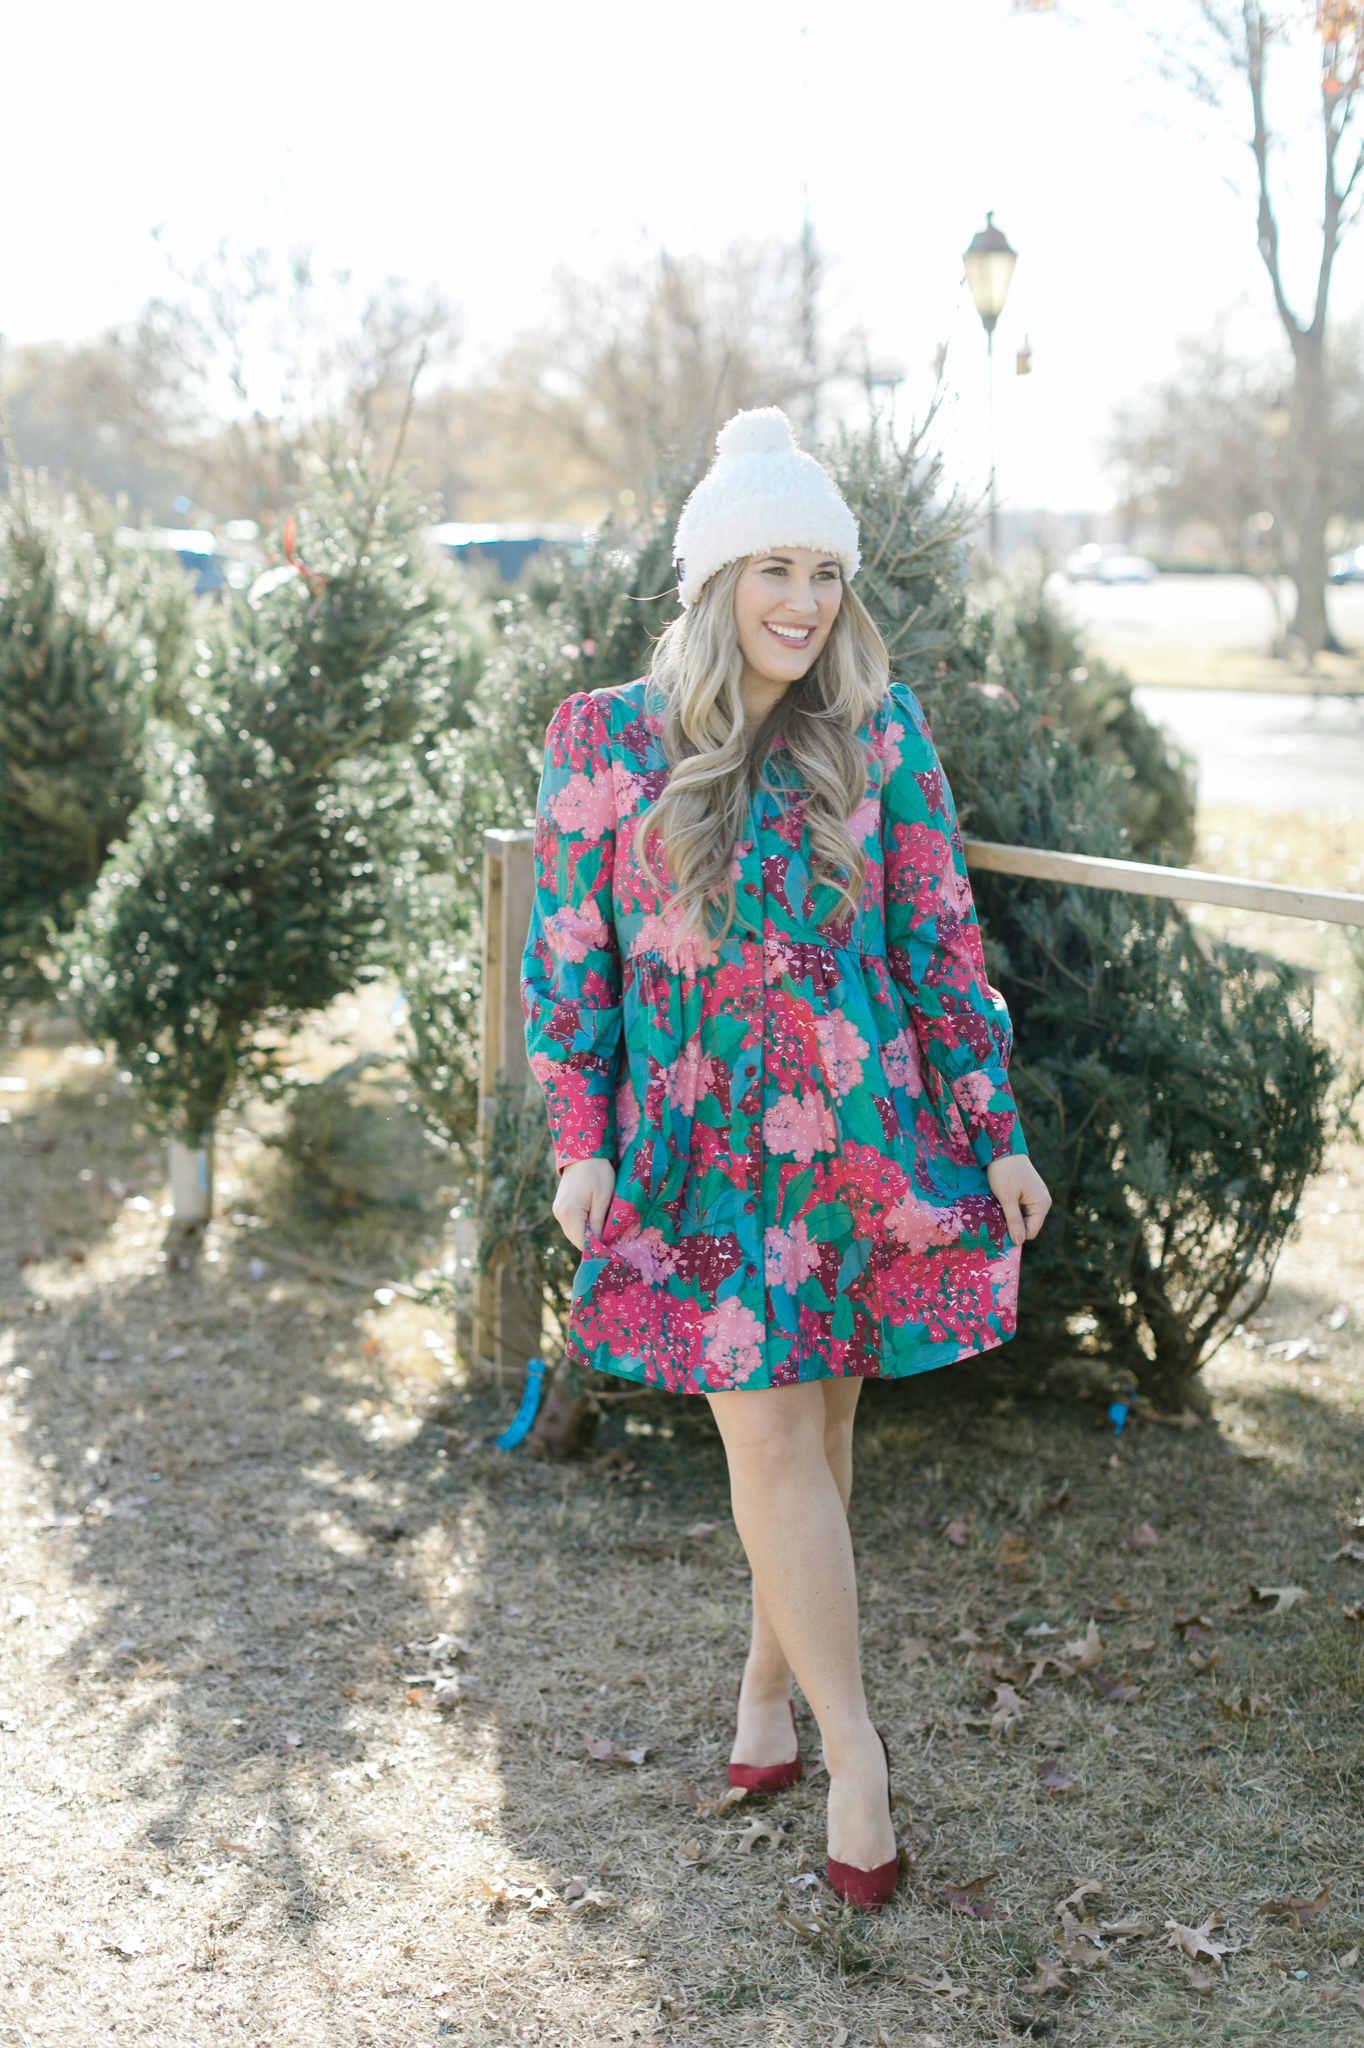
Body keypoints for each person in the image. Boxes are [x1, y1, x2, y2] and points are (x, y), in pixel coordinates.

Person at [521, 407, 1052, 1910]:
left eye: (825, 570)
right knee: (767, 1444)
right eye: (774, 567)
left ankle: (767, 1708)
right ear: (712, 580)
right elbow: (571, 965)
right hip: (695, 1158)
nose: (804, 603)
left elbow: (940, 939)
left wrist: (991, 1129)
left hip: (860, 1141)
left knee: (814, 1443)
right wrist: (581, 1145)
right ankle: (860, 1757)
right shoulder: (604, 740)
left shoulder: (872, 731)